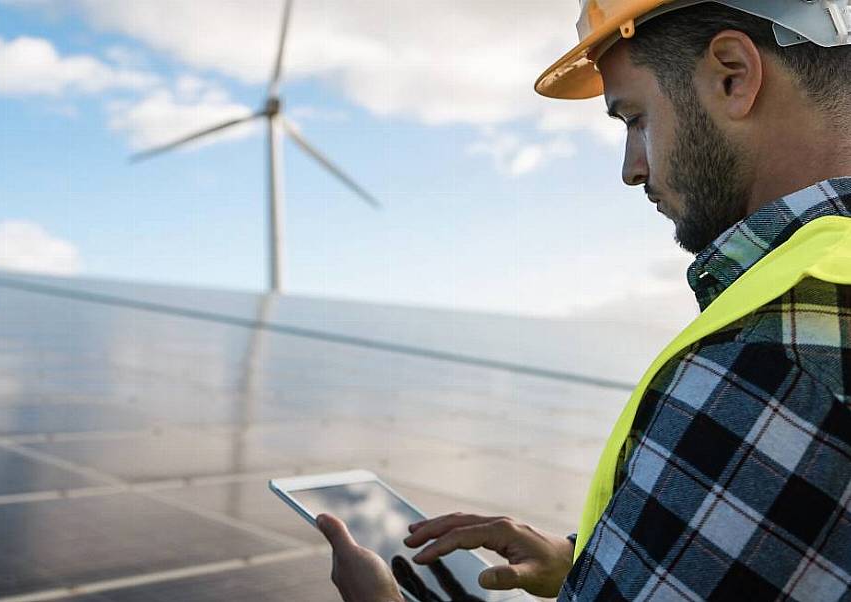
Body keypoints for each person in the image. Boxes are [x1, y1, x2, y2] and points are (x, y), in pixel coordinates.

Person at [318, 1, 851, 599]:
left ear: (733, 74)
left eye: (635, 118)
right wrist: (588, 564)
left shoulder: (775, 358)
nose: (631, 168)